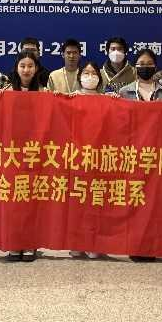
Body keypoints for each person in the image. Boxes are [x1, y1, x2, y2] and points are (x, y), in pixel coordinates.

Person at [119, 48, 162, 263]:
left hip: (156, 154)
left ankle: (151, 245)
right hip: (132, 154)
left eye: (149, 64)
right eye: (141, 64)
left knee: (153, 201)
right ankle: (134, 244)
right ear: (135, 67)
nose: (145, 67)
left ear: (155, 66)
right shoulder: (124, 92)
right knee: (135, 199)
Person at [6, 51, 44, 262]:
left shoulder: (45, 92)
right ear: (17, 68)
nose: (26, 70)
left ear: (36, 69)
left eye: (30, 66)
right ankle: (14, 242)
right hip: (11, 154)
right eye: (22, 66)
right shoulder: (6, 91)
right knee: (13, 201)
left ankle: (30, 243)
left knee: (32, 202)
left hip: (36, 154)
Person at [67, 60, 105, 259]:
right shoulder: (71, 98)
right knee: (77, 202)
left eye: (94, 73)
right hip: (76, 156)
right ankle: (76, 242)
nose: (90, 77)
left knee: (95, 201)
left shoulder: (106, 100)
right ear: (79, 76)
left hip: (99, 157)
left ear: (99, 77)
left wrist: (115, 100)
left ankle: (94, 243)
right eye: (86, 73)